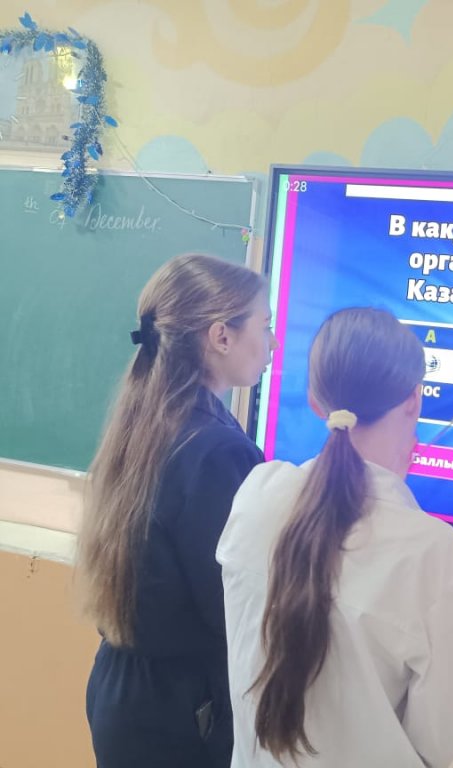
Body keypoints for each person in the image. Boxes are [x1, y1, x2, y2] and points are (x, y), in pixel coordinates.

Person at [217, 307, 453, 767]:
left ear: (315, 401)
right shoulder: (435, 553)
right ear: (415, 399)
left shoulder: (258, 494)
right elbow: (440, 737)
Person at [77, 253, 277, 768]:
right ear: (221, 336)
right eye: (264, 325)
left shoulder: (144, 419)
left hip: (123, 689)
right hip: (183, 710)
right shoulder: (216, 452)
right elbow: (232, 606)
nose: (272, 343)